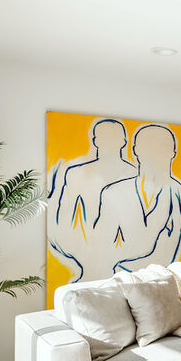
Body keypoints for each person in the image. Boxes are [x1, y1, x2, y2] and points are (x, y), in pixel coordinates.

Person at [93, 124, 181, 274]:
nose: (155, 153)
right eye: (148, 146)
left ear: (173, 152)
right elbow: (102, 248)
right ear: (135, 150)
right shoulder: (113, 193)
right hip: (124, 278)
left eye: (162, 147)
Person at [48, 119, 137, 281]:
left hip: (124, 249)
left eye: (113, 137)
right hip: (86, 252)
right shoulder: (76, 174)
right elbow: (64, 220)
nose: (109, 142)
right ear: (95, 141)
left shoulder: (135, 175)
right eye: (105, 137)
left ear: (124, 141)